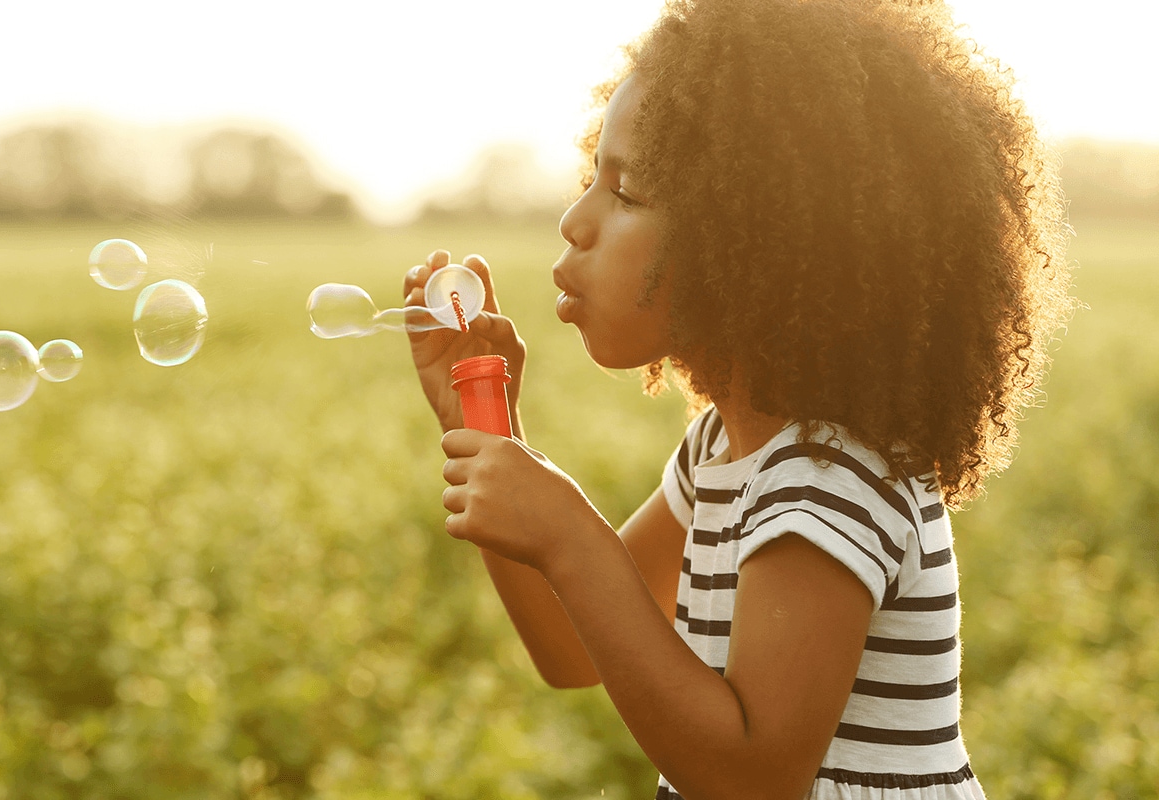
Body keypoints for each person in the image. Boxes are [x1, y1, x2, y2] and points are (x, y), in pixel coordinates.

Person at [401, 0, 1074, 797]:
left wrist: (571, 534)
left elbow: (753, 776)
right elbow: (571, 649)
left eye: (627, 193)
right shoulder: (722, 451)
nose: (574, 221)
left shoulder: (829, 476)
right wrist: (490, 428)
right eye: (593, 179)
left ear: (759, 240)